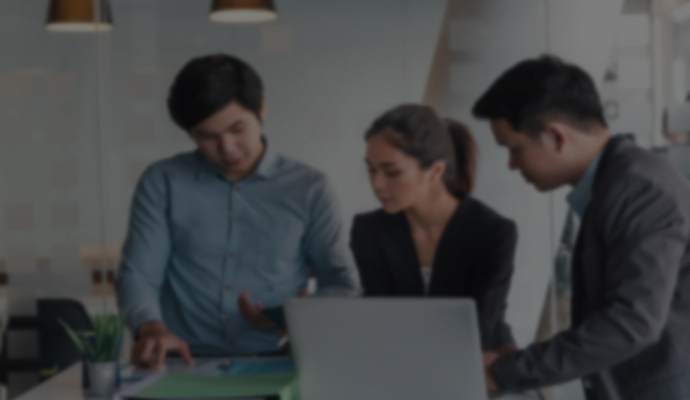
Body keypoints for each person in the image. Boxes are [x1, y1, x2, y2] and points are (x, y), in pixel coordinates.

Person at [115, 54, 361, 369]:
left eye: (237, 129)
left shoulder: (311, 188)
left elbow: (342, 282)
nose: (228, 148)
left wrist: (295, 315)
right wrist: (150, 326)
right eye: (208, 136)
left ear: (262, 108)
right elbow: (139, 273)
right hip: (182, 363)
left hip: (278, 362)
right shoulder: (163, 181)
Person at [473, 55, 690, 400]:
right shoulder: (618, 181)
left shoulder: (636, 188)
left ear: (556, 136)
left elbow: (632, 323)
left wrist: (507, 371)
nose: (513, 165)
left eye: (514, 149)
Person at [350, 104, 517, 349]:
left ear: (435, 171)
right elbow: (378, 318)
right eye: (371, 169)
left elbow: (478, 329)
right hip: (398, 361)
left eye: (391, 172)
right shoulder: (369, 230)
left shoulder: (493, 233)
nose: (376, 184)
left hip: (477, 366)